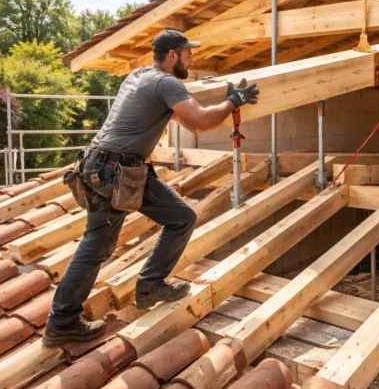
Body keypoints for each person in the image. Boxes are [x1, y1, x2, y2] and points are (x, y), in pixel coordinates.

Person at [43, 30, 260, 346]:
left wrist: (221, 97)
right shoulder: (166, 83)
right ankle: (63, 321)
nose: (191, 60)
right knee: (100, 245)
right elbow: (201, 121)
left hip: (108, 166)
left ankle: (148, 287)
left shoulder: (139, 76)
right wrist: (233, 100)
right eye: (188, 54)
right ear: (172, 55)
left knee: (178, 218)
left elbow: (188, 121)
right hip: (115, 171)